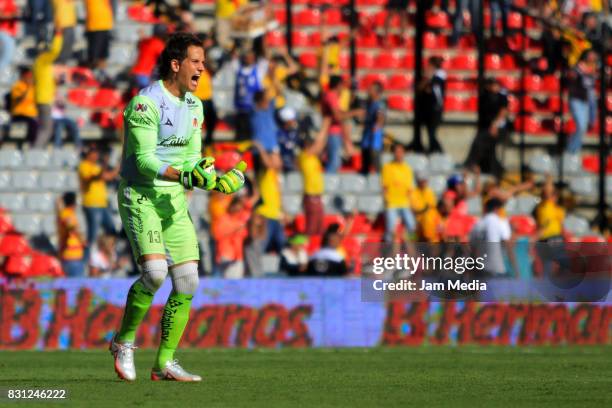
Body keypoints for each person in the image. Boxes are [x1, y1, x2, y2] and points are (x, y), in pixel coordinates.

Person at [110, 33, 247, 382]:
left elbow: (193, 161)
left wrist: (217, 182)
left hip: (172, 199)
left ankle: (164, 363)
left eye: (203, 62)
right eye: (197, 61)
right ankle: (124, 342)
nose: (203, 68)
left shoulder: (195, 106)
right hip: (141, 195)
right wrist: (186, 173)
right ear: (176, 64)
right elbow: (142, 160)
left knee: (187, 281)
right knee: (155, 274)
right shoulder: (146, 102)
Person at [465, 78, 509, 177]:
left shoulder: (502, 97)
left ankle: (471, 163)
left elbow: (503, 112)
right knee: (488, 149)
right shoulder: (484, 97)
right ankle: (493, 169)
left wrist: (495, 125)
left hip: (497, 128)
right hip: (486, 128)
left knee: (481, 142)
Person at [78, 146, 118, 249]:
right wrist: (104, 164)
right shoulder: (84, 166)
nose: (96, 155)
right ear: (89, 154)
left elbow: (108, 176)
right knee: (92, 235)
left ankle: (105, 250)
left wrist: (119, 166)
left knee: (112, 230)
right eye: (94, 153)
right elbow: (92, 178)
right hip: (92, 204)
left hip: (102, 204)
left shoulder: (96, 166)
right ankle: (86, 259)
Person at [321, 75, 360, 173]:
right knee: (334, 162)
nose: (343, 87)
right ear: (338, 85)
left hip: (336, 132)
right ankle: (327, 185)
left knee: (336, 161)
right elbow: (337, 116)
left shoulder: (333, 96)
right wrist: (355, 113)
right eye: (342, 85)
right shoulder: (331, 96)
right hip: (332, 132)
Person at [469, 197, 516, 277]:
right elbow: (508, 247)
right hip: (498, 270)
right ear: (496, 209)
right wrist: (516, 270)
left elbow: (473, 250)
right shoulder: (501, 222)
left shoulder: (477, 224)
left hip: (482, 270)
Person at [252, 141, 285, 253]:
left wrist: (282, 211)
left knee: (283, 247)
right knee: (260, 247)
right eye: (275, 157)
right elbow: (266, 163)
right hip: (265, 215)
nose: (279, 159)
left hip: (275, 215)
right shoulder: (266, 172)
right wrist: (261, 147)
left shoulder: (275, 175)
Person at [381, 143, 416, 243]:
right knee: (391, 228)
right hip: (392, 203)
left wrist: (411, 203)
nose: (399, 154)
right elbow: (384, 186)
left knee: (412, 225)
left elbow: (410, 188)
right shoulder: (387, 167)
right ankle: (389, 249)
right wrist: (386, 200)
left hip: (404, 202)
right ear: (393, 153)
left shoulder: (407, 169)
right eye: (396, 152)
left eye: (401, 152)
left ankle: (411, 245)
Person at [298, 120, 328, 235]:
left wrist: (326, 130)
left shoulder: (314, 158)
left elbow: (320, 144)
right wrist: (325, 125)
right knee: (311, 228)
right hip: (311, 197)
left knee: (319, 228)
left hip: (317, 196)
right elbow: (318, 144)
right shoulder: (304, 156)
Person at [33, 30, 63, 147]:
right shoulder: (42, 60)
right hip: (44, 100)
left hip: (42, 99)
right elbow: (55, 51)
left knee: (44, 129)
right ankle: (35, 153)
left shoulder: (40, 63)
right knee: (46, 129)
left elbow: (45, 80)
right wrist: (58, 35)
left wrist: (54, 82)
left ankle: (37, 152)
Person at [211, 195, 252, 278]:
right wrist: (234, 229)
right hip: (225, 255)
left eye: (240, 208)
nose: (238, 210)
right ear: (231, 206)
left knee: (237, 286)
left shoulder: (240, 220)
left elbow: (245, 234)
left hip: (238, 256)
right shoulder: (223, 218)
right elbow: (216, 234)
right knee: (228, 285)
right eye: (236, 207)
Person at [412, 56, 446, 153]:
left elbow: (436, 94)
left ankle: (438, 151)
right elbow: (420, 88)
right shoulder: (430, 77)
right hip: (429, 109)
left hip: (435, 109)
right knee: (429, 131)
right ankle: (431, 150)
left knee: (432, 133)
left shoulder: (439, 76)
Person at [567, 49, 597, 154]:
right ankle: (570, 151)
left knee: (582, 128)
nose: (592, 57)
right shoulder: (579, 66)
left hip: (585, 102)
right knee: (580, 126)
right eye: (590, 55)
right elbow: (571, 75)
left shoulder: (594, 69)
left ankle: (574, 150)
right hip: (576, 99)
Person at [234, 50, 265, 140]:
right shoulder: (238, 69)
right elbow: (233, 58)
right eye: (247, 57)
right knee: (240, 135)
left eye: (251, 57)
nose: (248, 59)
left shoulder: (258, 71)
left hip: (253, 110)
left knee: (252, 135)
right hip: (240, 109)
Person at [4, 67, 38, 145]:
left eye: (31, 76)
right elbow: (18, 99)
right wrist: (27, 89)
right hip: (19, 115)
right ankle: (33, 147)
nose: (30, 78)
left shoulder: (33, 87)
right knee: (33, 125)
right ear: (23, 76)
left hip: (32, 115)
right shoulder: (18, 86)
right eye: (28, 76)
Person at [56, 192, 86, 277]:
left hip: (70, 256)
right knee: (76, 287)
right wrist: (82, 240)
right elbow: (71, 226)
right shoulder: (67, 214)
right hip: (72, 256)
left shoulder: (65, 213)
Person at [360, 81, 386, 175]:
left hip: (374, 134)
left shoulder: (379, 104)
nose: (368, 91)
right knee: (365, 153)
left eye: (371, 89)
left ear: (377, 92)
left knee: (374, 154)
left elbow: (380, 116)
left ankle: (378, 174)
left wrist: (377, 126)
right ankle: (365, 171)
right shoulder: (369, 103)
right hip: (367, 133)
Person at [131, 24, 167, 89]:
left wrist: (142, 35)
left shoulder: (146, 41)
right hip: (144, 74)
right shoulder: (158, 43)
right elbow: (166, 57)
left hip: (135, 72)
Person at [84, 0, 114, 75]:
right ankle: (90, 73)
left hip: (106, 24)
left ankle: (101, 74)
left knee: (103, 54)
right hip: (95, 25)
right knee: (94, 54)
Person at [51, 0, 76, 65]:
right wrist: (58, 25)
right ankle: (58, 69)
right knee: (59, 52)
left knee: (66, 52)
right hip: (61, 25)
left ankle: (62, 68)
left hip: (69, 24)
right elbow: (59, 8)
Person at [277, 106, 300, 172]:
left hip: (295, 167)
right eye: (292, 120)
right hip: (283, 168)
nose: (294, 121)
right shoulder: (279, 134)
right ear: (287, 121)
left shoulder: (296, 133)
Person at [0, 0, 18, 70]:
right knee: (6, 57)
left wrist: (9, 15)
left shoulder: (9, 1)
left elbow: (16, 13)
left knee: (7, 58)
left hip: (10, 33)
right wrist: (9, 15)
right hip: (2, 32)